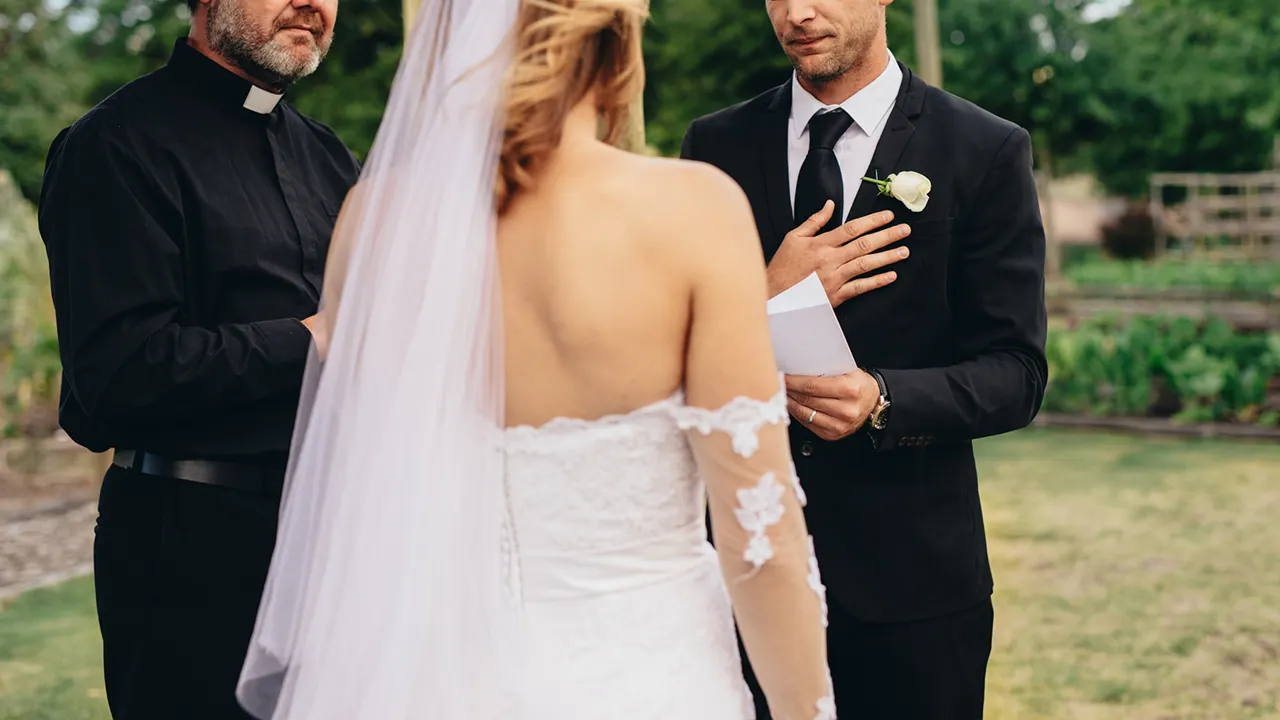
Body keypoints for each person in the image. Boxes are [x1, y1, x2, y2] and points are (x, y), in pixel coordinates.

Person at [231, 0, 911, 717]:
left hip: (435, 682)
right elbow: (760, 540)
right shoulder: (691, 210)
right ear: (614, 38)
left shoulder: (377, 220)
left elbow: (364, 500)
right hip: (649, 683)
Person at [680, 0, 1049, 717]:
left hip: (915, 592)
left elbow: (1017, 372)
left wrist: (882, 399)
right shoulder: (713, 146)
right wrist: (765, 292)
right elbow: (666, 346)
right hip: (742, 576)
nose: (797, 12)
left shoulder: (985, 148)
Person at [37, 0, 359, 716]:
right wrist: (311, 339)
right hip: (186, 552)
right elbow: (117, 373)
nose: (312, 3)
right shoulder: (114, 145)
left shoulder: (330, 157)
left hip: (330, 547)